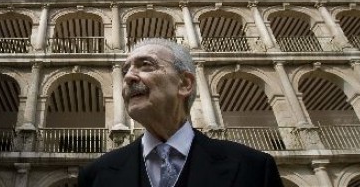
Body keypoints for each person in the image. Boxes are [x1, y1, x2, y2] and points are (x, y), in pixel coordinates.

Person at [78, 38, 283, 187]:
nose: (129, 77)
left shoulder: (254, 168)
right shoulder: (95, 175)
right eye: (125, 71)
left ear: (185, 84)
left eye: (146, 65)